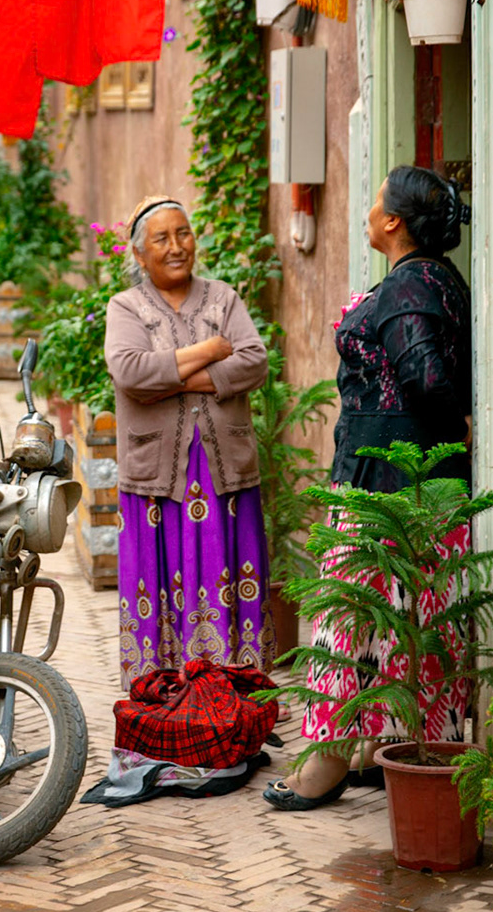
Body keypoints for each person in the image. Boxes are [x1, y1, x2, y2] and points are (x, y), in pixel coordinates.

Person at [263, 165, 474, 811]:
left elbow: (428, 379)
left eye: (375, 198)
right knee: (417, 625)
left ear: (393, 221)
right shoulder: (435, 279)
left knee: (344, 623)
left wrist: (454, 425)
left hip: (386, 487)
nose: (368, 207)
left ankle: (326, 763)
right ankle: (399, 748)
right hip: (418, 485)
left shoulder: (411, 285)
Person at [104, 194, 272, 688]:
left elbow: (254, 361)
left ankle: (231, 691)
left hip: (224, 472)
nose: (177, 246)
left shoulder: (223, 297)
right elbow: (130, 371)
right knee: (159, 579)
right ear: (140, 255)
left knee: (228, 572)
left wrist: (172, 379)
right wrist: (211, 350)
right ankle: (164, 695)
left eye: (183, 234)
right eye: (162, 238)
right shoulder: (126, 306)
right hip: (156, 477)